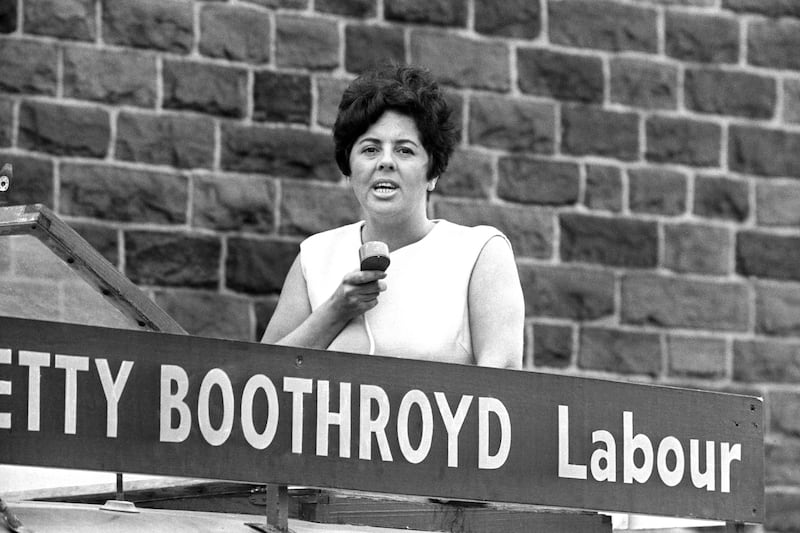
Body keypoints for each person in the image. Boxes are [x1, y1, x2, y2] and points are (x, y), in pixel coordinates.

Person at [261, 65, 523, 369]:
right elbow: (263, 376)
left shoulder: (479, 253)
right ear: (348, 168)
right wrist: (335, 312)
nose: (385, 161)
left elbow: (501, 385)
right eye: (370, 149)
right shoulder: (315, 256)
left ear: (433, 172)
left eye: (405, 151)